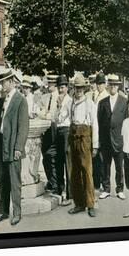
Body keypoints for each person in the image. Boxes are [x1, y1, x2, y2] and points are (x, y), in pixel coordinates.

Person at [0, 69, 29, 226]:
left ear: (12, 82)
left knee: (14, 181)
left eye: (3, 82)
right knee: (3, 181)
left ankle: (17, 213)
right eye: (1, 83)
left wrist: (19, 147)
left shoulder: (20, 100)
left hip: (13, 147)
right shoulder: (2, 98)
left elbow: (23, 126)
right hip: (2, 146)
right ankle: (3, 211)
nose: (1, 85)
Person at [67, 74, 99, 217]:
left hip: (85, 138)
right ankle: (79, 203)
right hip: (73, 137)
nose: (78, 90)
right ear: (73, 88)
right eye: (76, 87)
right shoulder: (70, 102)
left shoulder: (89, 103)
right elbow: (62, 116)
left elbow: (95, 125)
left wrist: (95, 145)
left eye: (80, 88)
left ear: (84, 89)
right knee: (74, 172)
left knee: (87, 172)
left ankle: (91, 204)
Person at [97, 74, 128, 201]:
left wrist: (126, 139)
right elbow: (99, 121)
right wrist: (99, 140)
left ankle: (120, 189)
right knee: (105, 165)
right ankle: (106, 189)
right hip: (105, 139)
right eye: (111, 84)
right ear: (108, 86)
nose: (113, 87)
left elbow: (126, 121)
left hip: (119, 139)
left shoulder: (124, 101)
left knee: (119, 166)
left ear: (118, 86)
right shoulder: (102, 102)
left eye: (115, 85)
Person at [55, 74, 72, 205]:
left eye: (63, 87)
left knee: (67, 161)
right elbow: (55, 118)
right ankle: (60, 189)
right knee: (59, 160)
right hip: (58, 131)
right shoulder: (57, 99)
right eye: (59, 87)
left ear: (67, 88)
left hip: (66, 131)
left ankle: (70, 193)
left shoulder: (69, 101)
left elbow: (62, 118)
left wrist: (60, 106)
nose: (61, 90)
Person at [40, 74, 59, 193]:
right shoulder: (45, 97)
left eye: (52, 83)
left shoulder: (58, 97)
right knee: (45, 156)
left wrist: (47, 115)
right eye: (49, 83)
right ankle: (51, 181)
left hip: (55, 128)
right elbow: (39, 111)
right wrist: (44, 114)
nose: (50, 85)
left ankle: (56, 182)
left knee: (53, 157)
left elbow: (56, 115)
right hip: (45, 129)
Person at [92, 72, 109, 192]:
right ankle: (96, 182)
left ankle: (104, 183)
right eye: (98, 83)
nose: (99, 86)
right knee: (95, 158)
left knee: (103, 159)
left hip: (103, 131)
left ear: (105, 84)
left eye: (102, 83)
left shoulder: (106, 96)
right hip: (93, 128)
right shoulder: (93, 95)